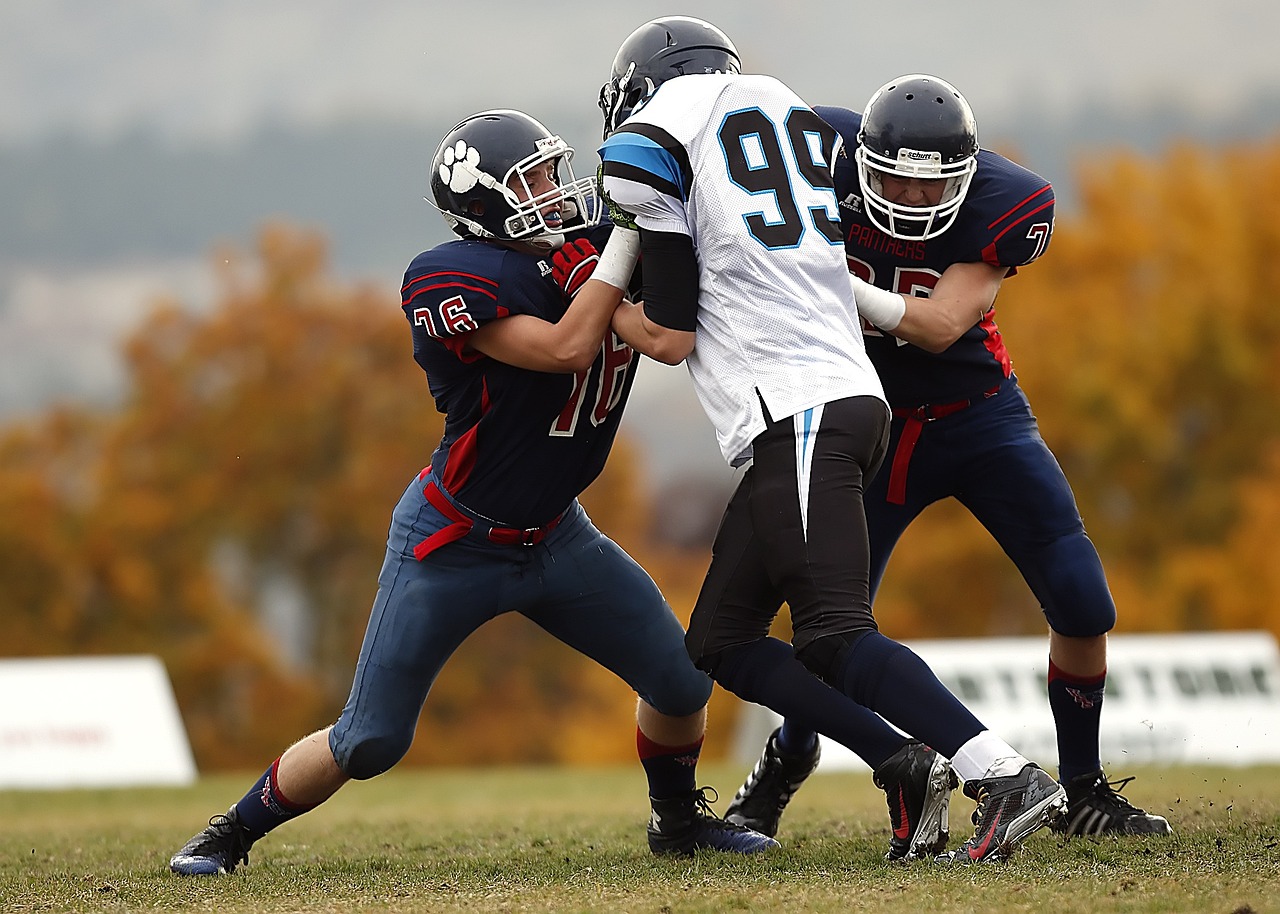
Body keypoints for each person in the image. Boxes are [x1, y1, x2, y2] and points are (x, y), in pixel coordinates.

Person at [168, 108, 779, 876]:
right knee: (370, 740)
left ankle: (676, 822)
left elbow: (672, 317)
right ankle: (229, 834)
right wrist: (627, 240)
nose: (556, 193)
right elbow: (565, 347)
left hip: (559, 535)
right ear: (482, 204)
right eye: (533, 182)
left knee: (682, 679)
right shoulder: (454, 278)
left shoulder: (588, 246)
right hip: (453, 541)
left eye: (554, 174)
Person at [596, 17, 1066, 864]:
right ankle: (900, 764)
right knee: (722, 643)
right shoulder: (782, 106)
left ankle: (1003, 774)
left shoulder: (655, 133)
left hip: (800, 407)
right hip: (833, 399)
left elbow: (669, 334)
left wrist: (599, 297)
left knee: (834, 633)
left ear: (644, 86)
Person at [725, 74, 1172, 840]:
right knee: (826, 633)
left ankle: (1085, 787)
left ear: (968, 177)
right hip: (864, 427)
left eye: (933, 186)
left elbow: (937, 326)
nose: (910, 198)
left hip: (978, 420)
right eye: (893, 175)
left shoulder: (1009, 201)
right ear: (859, 159)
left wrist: (822, 276)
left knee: (1083, 600)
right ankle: (785, 760)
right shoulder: (811, 152)